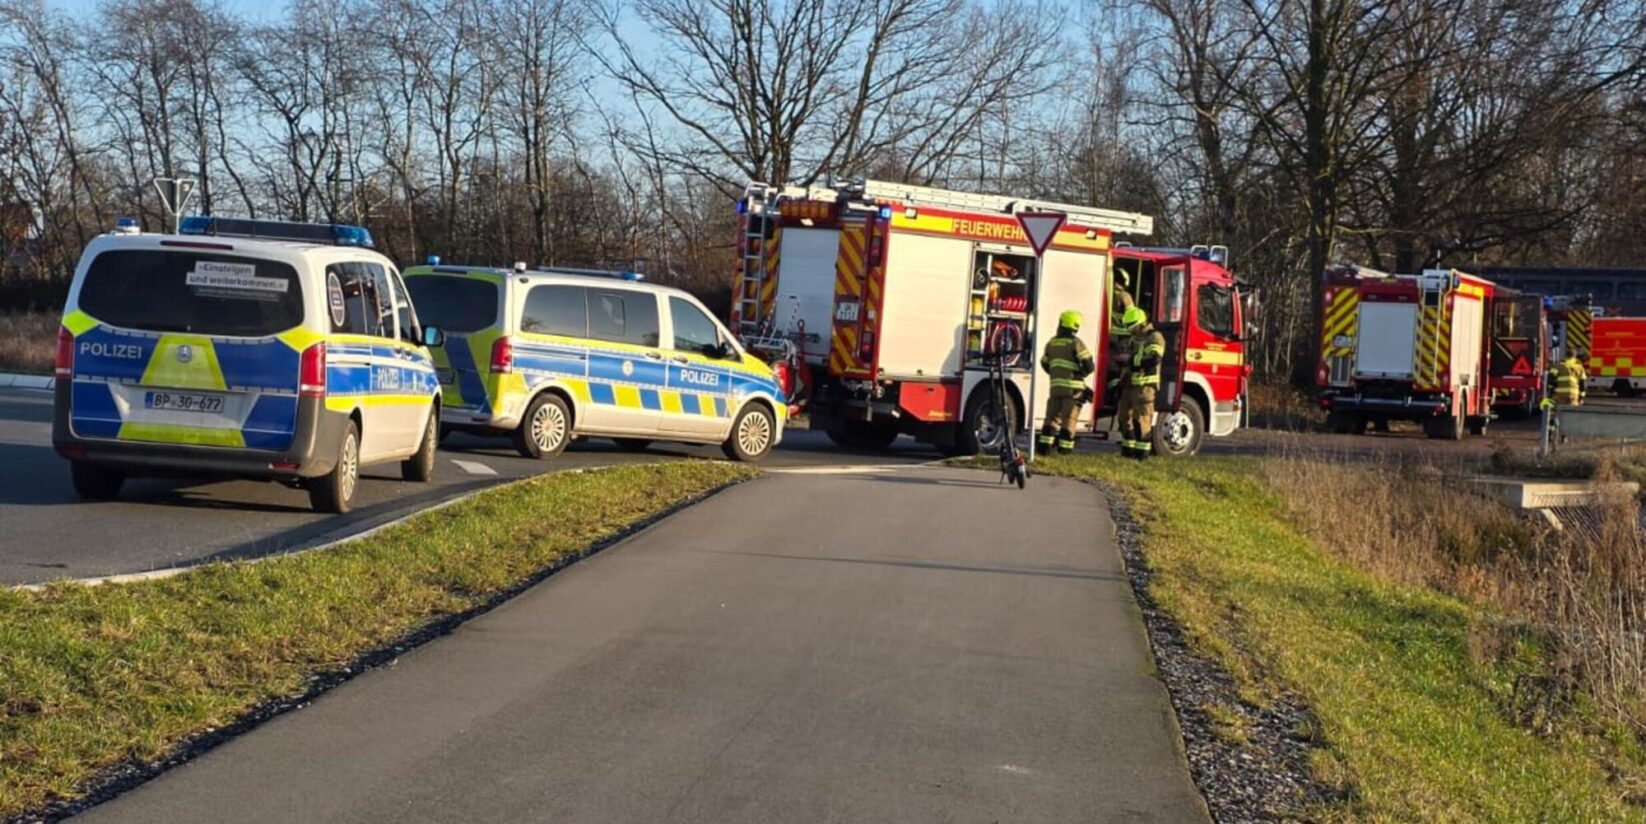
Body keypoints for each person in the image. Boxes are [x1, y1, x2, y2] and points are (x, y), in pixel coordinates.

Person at [1038, 309, 1095, 456]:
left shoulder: (1051, 343)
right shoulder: (1076, 343)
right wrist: (1079, 374)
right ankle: (1065, 451)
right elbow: (1089, 366)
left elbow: (1044, 363)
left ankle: (1044, 449)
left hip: (1056, 388)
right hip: (1073, 390)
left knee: (1051, 418)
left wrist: (1056, 374)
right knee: (1069, 419)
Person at [1118, 306, 1166, 459]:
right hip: (1131, 384)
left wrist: (1130, 361)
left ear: (1139, 324)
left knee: (1142, 420)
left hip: (1145, 386)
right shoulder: (1135, 338)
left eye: (1131, 327)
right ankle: (1128, 451)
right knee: (1123, 416)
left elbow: (1154, 359)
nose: (1130, 331)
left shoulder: (1155, 337)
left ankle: (1142, 454)